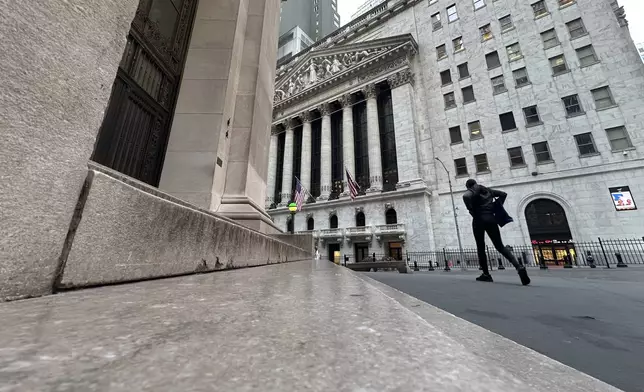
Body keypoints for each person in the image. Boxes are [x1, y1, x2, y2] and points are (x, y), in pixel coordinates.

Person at [463, 179, 530, 285]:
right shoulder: (488, 191)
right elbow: (503, 194)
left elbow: (466, 196)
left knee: (480, 247)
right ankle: (519, 266)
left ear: (468, 186)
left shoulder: (471, 192)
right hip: (491, 218)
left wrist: (470, 209)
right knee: (500, 246)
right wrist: (495, 207)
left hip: (478, 220)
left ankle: (486, 274)